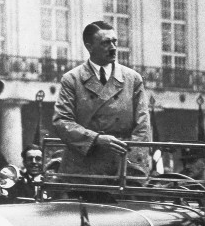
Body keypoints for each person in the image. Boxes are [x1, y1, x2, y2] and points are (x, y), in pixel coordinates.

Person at [53, 20, 151, 178]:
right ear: (89, 47)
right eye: (106, 43)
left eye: (114, 42)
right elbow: (62, 122)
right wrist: (97, 139)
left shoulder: (132, 79)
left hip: (120, 168)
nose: (113, 48)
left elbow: (143, 127)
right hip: (83, 169)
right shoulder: (72, 79)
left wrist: (134, 167)